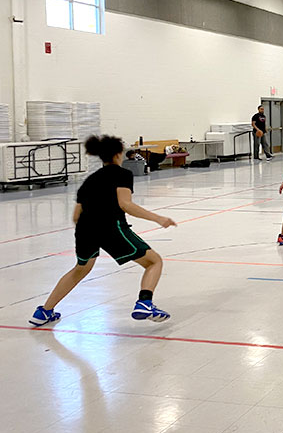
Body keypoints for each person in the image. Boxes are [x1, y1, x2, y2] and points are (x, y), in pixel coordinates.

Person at [29, 135, 176, 327]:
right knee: (153, 262)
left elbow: (76, 216)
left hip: (84, 229)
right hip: (111, 227)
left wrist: (90, 231)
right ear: (117, 154)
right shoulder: (122, 174)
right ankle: (145, 303)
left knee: (80, 269)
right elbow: (125, 204)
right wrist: (158, 218)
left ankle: (44, 311)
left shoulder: (89, 180)